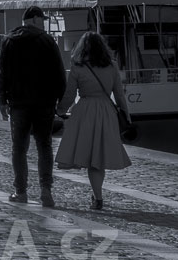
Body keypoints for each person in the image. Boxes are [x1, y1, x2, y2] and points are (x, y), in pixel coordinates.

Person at [0, 5, 66, 208]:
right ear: (35, 19)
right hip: (44, 103)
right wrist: (58, 100)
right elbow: (59, 74)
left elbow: (2, 74)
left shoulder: (9, 41)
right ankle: (46, 190)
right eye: (42, 20)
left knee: (19, 148)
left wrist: (2, 100)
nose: (43, 24)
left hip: (18, 104)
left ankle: (21, 191)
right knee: (44, 146)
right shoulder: (47, 41)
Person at [55, 31, 133, 210]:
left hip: (85, 112)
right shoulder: (112, 66)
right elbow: (119, 95)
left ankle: (97, 197)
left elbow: (70, 94)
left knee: (89, 156)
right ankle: (98, 196)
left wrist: (60, 110)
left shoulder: (77, 67)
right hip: (106, 112)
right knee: (99, 157)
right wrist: (126, 116)